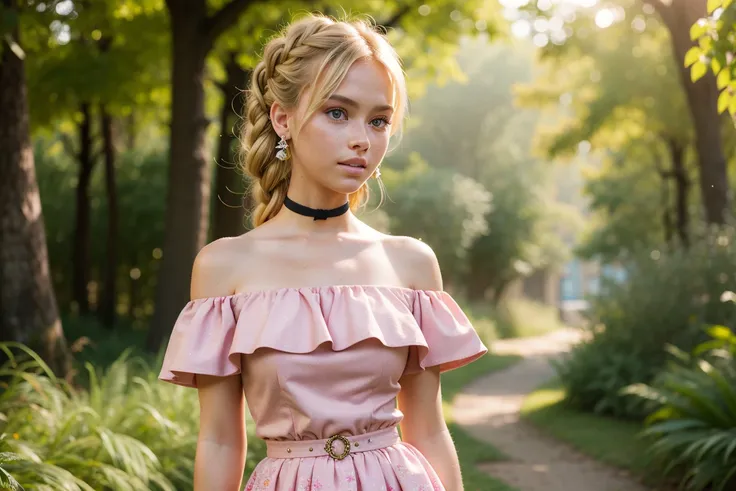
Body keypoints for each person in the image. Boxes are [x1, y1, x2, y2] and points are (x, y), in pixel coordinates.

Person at [158, 12, 488, 491]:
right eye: (338, 112)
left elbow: (429, 429)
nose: (362, 139)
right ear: (283, 119)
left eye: (379, 120)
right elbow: (220, 441)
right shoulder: (224, 266)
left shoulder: (410, 262)